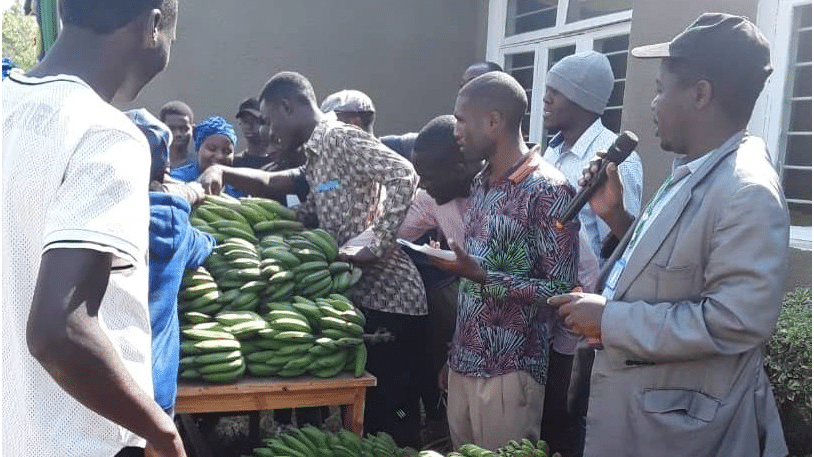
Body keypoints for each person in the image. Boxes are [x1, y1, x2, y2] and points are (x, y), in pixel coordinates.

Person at [549, 13, 789, 457]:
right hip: (632, 408)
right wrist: (617, 216)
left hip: (679, 430)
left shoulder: (746, 190)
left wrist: (609, 320)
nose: (653, 104)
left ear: (701, 94)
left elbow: (736, 322)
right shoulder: (695, 167)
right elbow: (673, 265)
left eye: (661, 89)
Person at [2, 0, 186, 456]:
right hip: (80, 442)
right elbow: (58, 331)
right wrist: (162, 433)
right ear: (155, 25)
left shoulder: (7, 107)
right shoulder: (106, 135)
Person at [432, 71, 580, 451]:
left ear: (493, 122)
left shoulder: (548, 190)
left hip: (510, 370)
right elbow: (471, 280)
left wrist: (482, 276)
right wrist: (454, 354)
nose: (456, 131)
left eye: (462, 120)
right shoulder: (481, 184)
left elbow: (562, 290)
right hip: (465, 362)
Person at [540, 50, 643, 457]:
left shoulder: (616, 160)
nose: (545, 99)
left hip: (590, 317)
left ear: (582, 99)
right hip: (550, 310)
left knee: (575, 414)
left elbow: (625, 242)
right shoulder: (550, 153)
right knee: (549, 414)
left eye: (555, 92)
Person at [126, 109, 215, 419]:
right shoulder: (176, 226)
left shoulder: (97, 220)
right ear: (164, 170)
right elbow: (205, 245)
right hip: (155, 383)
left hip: (104, 380)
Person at [171, 115, 242, 197]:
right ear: (198, 149)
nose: (219, 156)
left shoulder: (238, 187)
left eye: (226, 151)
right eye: (212, 149)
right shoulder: (176, 179)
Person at [233, 97, 273, 169]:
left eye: (255, 121)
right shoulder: (234, 164)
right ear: (240, 124)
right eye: (245, 121)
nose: (249, 126)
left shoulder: (277, 162)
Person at [159, 100, 195, 169]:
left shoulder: (199, 166)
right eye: (171, 129)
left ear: (192, 129)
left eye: (184, 129)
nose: (178, 134)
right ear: (161, 129)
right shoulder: (150, 163)